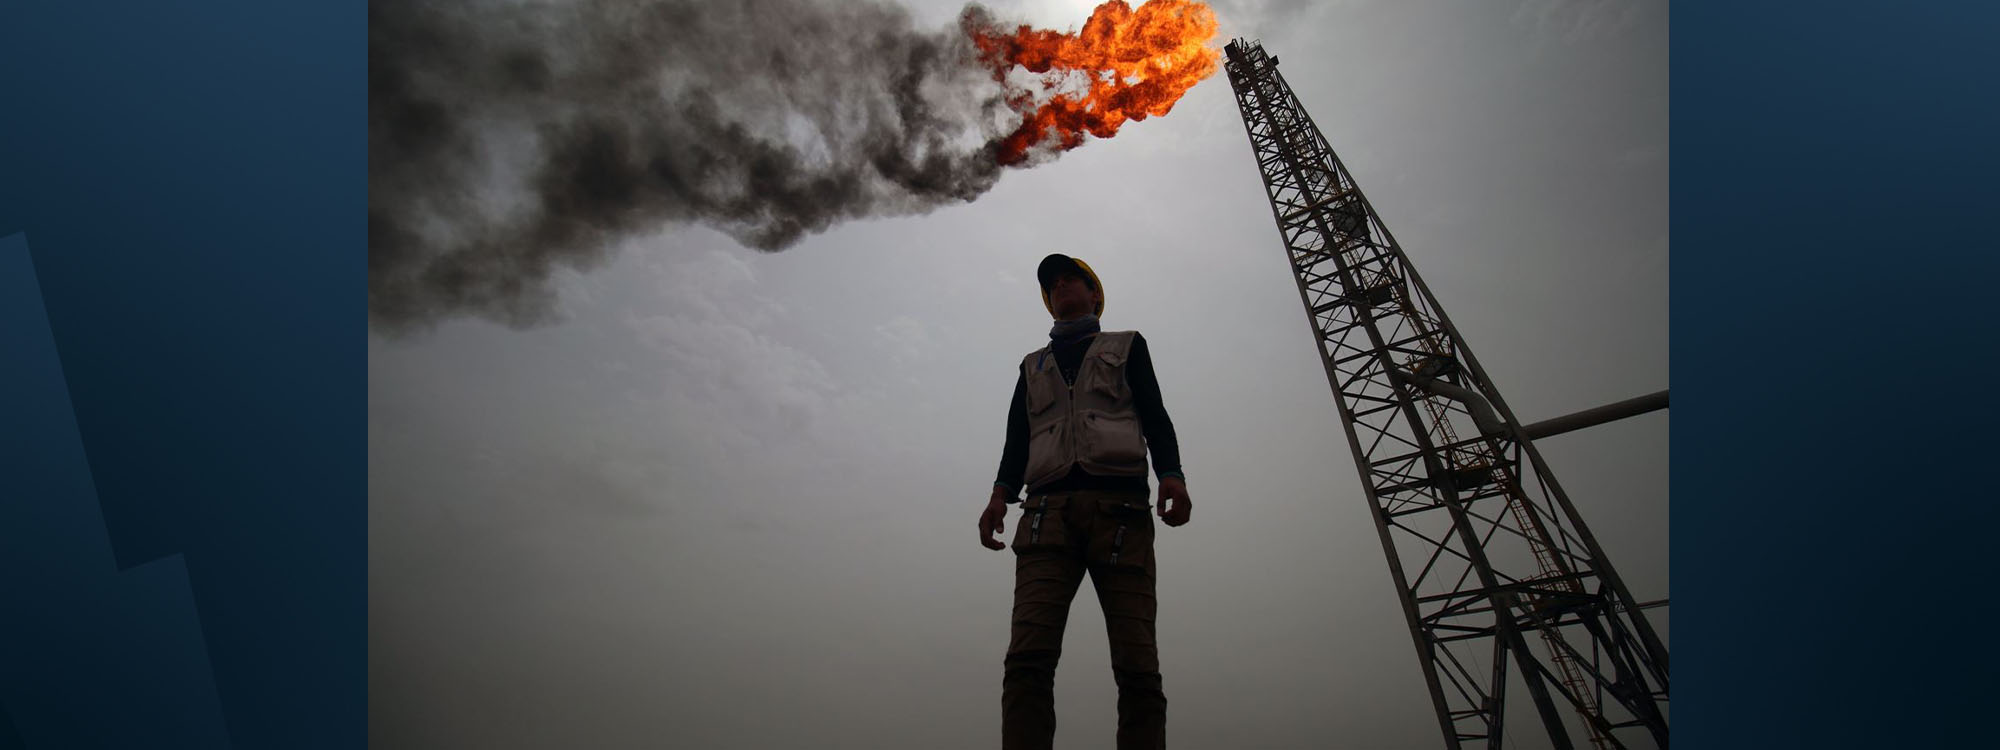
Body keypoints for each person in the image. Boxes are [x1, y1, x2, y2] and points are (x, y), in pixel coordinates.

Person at [979, 253, 1192, 750]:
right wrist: (998, 496)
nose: (1061, 288)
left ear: (1094, 294)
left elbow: (1155, 417)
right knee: (1027, 660)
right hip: (1044, 520)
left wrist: (1173, 476)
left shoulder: (1127, 346)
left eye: (1071, 280)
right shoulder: (1032, 366)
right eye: (1052, 286)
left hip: (1121, 519)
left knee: (1137, 666)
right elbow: (1018, 440)